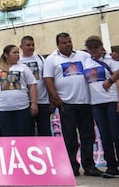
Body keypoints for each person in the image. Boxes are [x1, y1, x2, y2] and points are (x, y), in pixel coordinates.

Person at [43, 32, 103, 177]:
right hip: (66, 104)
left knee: (88, 136)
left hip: (85, 102)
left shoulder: (83, 56)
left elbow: (98, 61)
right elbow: (48, 79)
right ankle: (72, 167)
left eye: (69, 41)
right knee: (70, 137)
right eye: (64, 42)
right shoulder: (52, 59)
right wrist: (55, 98)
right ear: (58, 45)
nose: (68, 44)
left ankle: (89, 166)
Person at [82, 35, 119, 177]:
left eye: (96, 47)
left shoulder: (111, 59)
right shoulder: (86, 61)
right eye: (90, 48)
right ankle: (111, 167)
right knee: (105, 136)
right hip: (96, 103)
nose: (93, 50)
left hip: (111, 100)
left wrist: (109, 81)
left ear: (101, 46)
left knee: (116, 134)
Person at [0, 45, 38, 136]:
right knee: (8, 136)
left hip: (22, 108)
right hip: (3, 109)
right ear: (6, 55)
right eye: (14, 52)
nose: (17, 55)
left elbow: (32, 85)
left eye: (18, 52)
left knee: (24, 135)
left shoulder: (23, 68)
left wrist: (34, 103)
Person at [19, 35, 51, 136]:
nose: (31, 47)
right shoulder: (18, 61)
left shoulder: (41, 59)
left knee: (45, 131)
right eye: (28, 45)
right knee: (28, 132)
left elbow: (47, 78)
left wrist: (51, 99)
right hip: (25, 103)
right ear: (21, 47)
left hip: (43, 101)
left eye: (33, 45)